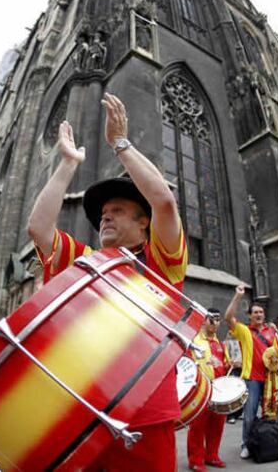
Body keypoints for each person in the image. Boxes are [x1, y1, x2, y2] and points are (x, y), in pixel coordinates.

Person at [28, 92, 187, 472]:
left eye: (117, 211)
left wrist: (120, 144)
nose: (105, 218)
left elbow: (163, 201)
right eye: (102, 214)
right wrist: (67, 164)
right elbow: (38, 228)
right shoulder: (86, 261)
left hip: (145, 414)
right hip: (84, 412)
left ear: (142, 223)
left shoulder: (161, 260)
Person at [224, 284, 278, 459]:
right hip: (252, 379)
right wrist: (238, 296)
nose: (259, 315)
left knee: (270, 413)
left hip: (270, 378)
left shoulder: (271, 331)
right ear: (249, 315)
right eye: (255, 312)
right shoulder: (244, 330)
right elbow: (228, 317)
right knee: (249, 416)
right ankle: (246, 444)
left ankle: (270, 442)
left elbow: (276, 355)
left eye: (261, 312)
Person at [187, 308, 229, 471]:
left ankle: (212, 455)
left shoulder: (220, 343)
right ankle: (196, 460)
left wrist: (230, 364)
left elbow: (224, 363)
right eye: (212, 319)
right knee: (198, 426)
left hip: (219, 389)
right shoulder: (195, 341)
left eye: (218, 320)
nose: (215, 323)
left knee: (217, 425)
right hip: (201, 389)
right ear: (204, 320)